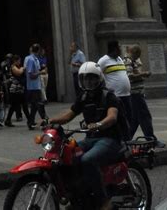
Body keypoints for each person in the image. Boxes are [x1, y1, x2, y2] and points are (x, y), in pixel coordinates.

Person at [48, 61, 123, 210]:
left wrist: (99, 124)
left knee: (88, 160)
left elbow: (112, 117)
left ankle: (104, 202)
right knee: (66, 155)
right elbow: (69, 115)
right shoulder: (84, 97)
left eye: (91, 78)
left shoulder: (108, 95)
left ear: (99, 78)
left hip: (109, 139)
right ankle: (76, 195)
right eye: (84, 78)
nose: (88, 81)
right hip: (91, 139)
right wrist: (49, 120)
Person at [124, 44, 165, 148]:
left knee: (135, 119)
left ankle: (125, 140)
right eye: (137, 55)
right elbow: (129, 76)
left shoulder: (133, 61)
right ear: (133, 53)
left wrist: (141, 73)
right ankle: (151, 140)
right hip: (135, 93)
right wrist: (143, 74)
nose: (138, 58)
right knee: (145, 116)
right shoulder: (127, 61)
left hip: (137, 92)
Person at [98, 40, 132, 136]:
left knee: (129, 118)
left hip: (126, 95)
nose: (121, 49)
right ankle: (120, 139)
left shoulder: (119, 59)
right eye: (119, 47)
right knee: (120, 120)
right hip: (116, 97)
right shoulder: (103, 60)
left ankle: (127, 139)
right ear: (114, 49)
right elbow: (98, 75)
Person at [24, 43, 46, 129]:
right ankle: (45, 120)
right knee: (39, 104)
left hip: (37, 85)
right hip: (33, 86)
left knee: (34, 106)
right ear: (38, 51)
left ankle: (30, 122)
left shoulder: (36, 59)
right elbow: (31, 75)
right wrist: (40, 72)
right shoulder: (30, 60)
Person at [4, 54, 29, 126]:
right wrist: (23, 68)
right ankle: (30, 120)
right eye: (19, 61)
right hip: (15, 90)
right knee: (21, 105)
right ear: (15, 61)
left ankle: (8, 120)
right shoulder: (13, 67)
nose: (20, 62)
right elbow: (18, 73)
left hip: (19, 89)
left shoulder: (17, 67)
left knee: (16, 106)